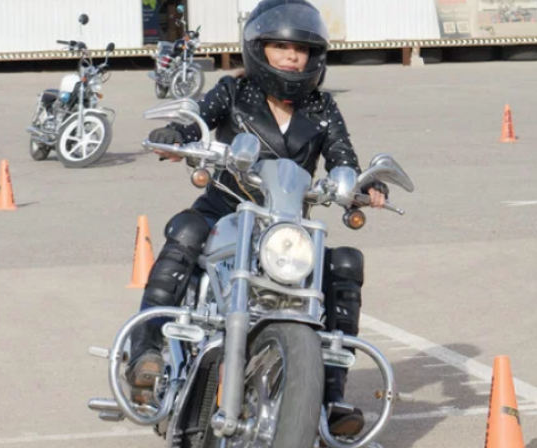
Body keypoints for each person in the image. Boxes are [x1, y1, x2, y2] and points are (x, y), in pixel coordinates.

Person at [127, 0, 389, 437]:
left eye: (301, 48)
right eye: (280, 45)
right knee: (187, 230)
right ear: (258, 48)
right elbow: (199, 124)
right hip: (227, 206)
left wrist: (365, 188)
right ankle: (146, 352)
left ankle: (329, 394)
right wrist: (179, 135)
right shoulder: (234, 92)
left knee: (343, 263)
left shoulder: (322, 107)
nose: (291, 56)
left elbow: (343, 159)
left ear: (315, 56)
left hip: (286, 225)